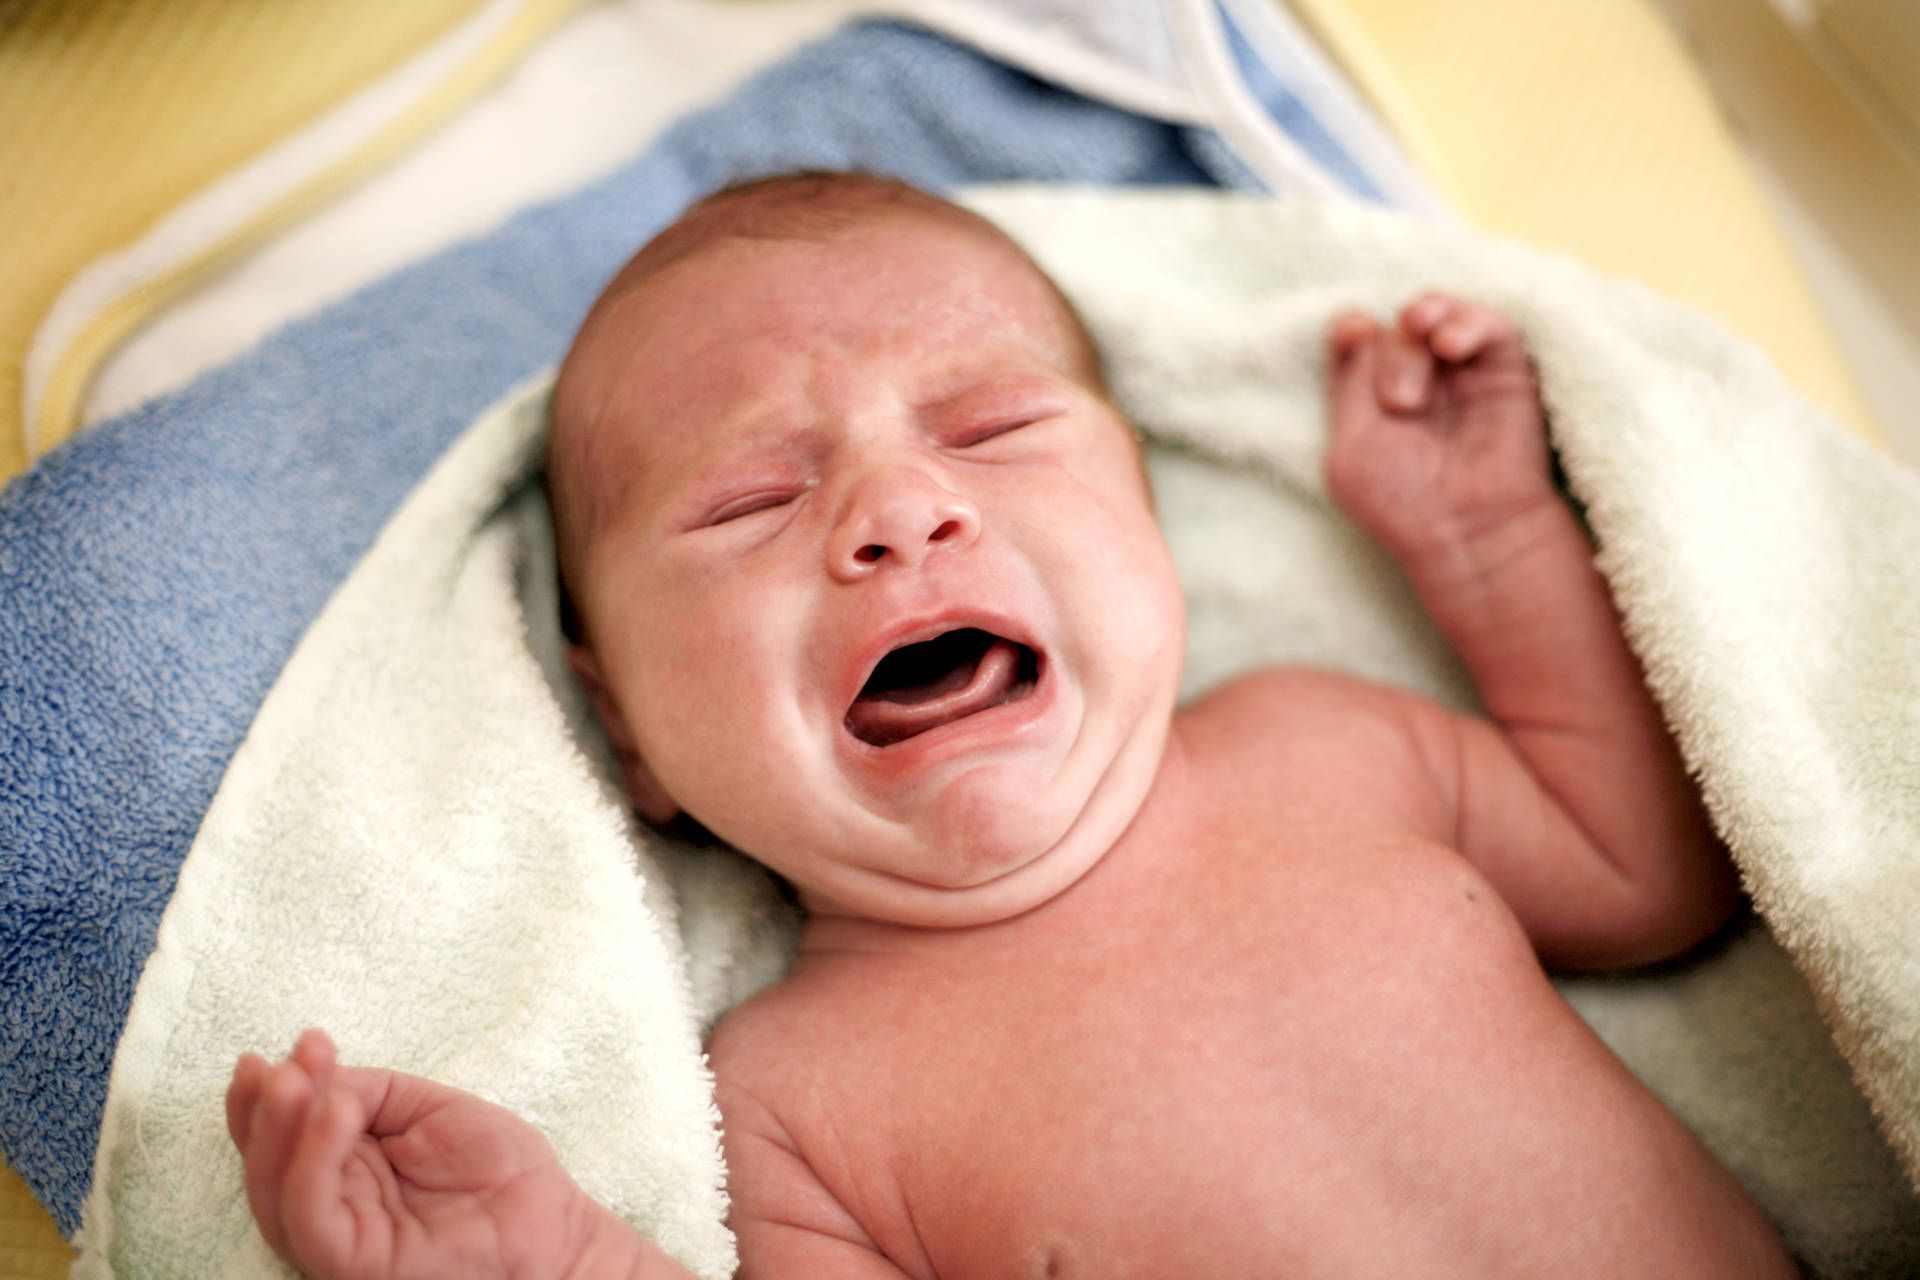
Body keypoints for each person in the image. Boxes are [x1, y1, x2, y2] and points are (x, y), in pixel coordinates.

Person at [226, 172, 1795, 1278]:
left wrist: (1487, 542)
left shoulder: (1332, 748)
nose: (900, 509)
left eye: (991, 428)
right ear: (627, 736)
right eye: (752, 502)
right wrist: (553, 1264)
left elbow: (1651, 868)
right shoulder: (793, 1105)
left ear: (1154, 537)